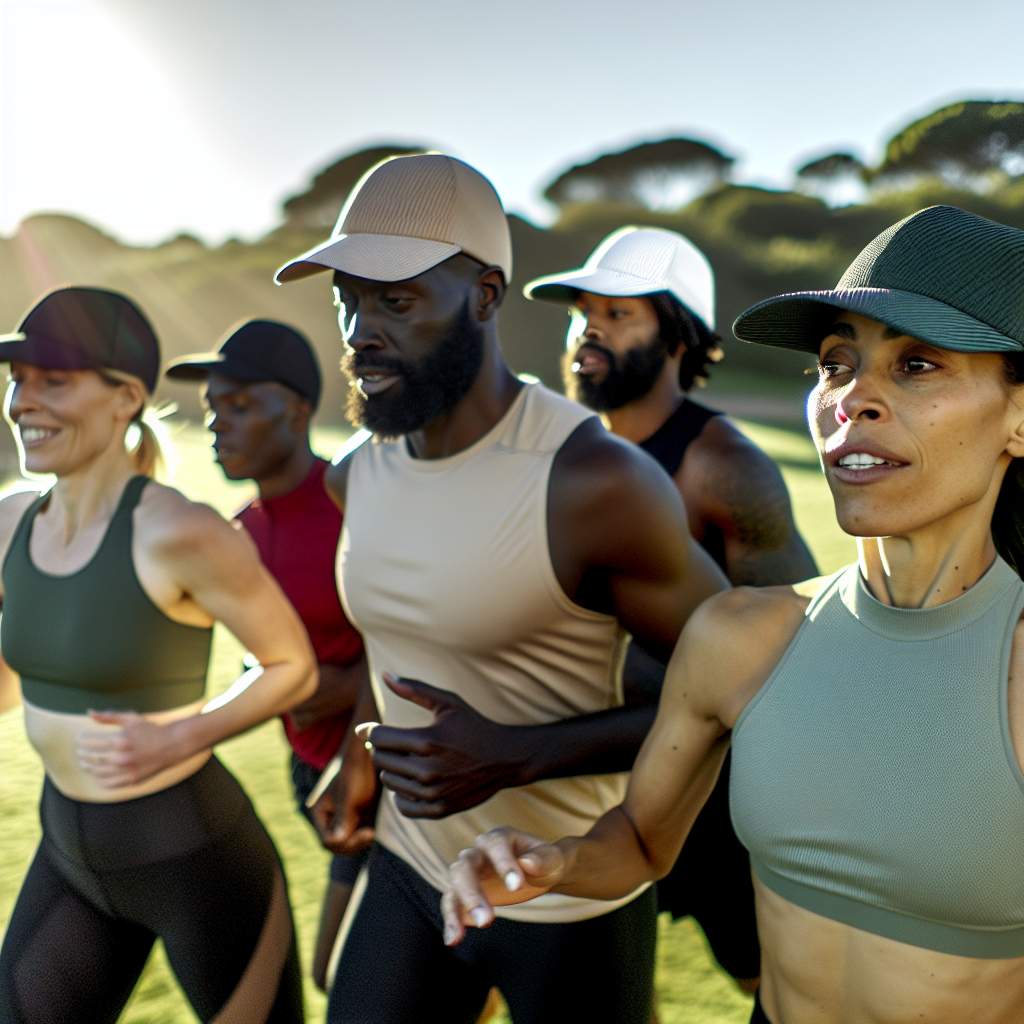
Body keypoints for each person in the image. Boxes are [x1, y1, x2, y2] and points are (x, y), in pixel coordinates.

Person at [442, 204, 1024, 1024]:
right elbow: (642, 843)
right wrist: (557, 860)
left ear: (1018, 416)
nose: (853, 395)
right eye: (834, 363)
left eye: (918, 365)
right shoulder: (740, 637)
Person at [274, 152, 728, 1023]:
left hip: (565, 894)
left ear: (484, 295)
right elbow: (399, 637)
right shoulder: (355, 477)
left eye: (395, 300)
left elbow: (730, 688)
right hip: (408, 870)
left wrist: (517, 754)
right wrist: (358, 749)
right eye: (349, 300)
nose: (361, 330)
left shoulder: (594, 482)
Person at [0, 287, 316, 1024]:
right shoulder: (11, 522)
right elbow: (14, 677)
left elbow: (291, 664)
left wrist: (182, 733)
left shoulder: (182, 531)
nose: (22, 402)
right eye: (18, 380)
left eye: (53, 381)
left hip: (195, 856)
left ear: (125, 398)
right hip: (69, 856)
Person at [525, 226, 817, 992]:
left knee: (770, 982)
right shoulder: (560, 453)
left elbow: (797, 645)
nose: (588, 327)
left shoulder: (723, 467)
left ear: (679, 335)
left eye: (619, 314)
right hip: (579, 778)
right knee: (576, 975)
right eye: (582, 311)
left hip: (707, 790)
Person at [165, 319, 369, 991]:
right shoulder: (233, 537)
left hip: (388, 774)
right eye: (214, 408)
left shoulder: (357, 504)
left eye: (241, 405)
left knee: (342, 978)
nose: (219, 423)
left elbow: (431, 640)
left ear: (300, 408)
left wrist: (338, 686)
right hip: (309, 775)